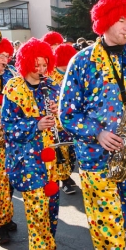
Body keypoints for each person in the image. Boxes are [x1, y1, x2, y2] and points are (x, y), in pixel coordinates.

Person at [59, 0, 126, 250]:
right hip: (94, 157)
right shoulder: (82, 61)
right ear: (106, 21)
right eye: (122, 20)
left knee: (124, 218)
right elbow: (66, 113)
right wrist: (96, 132)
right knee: (108, 220)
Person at [2, 38, 65, 250]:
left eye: (44, 64)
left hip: (51, 158)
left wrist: (58, 115)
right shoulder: (14, 88)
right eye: (36, 65)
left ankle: (47, 246)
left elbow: (64, 120)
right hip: (27, 160)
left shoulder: (51, 86)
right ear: (26, 63)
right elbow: (8, 127)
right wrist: (35, 125)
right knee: (37, 209)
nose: (40, 70)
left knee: (51, 207)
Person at [51, 43, 78, 194]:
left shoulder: (73, 74)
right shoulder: (51, 77)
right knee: (62, 152)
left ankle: (68, 174)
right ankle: (65, 179)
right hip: (57, 123)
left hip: (73, 121)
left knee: (72, 153)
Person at [0, 37, 17, 245]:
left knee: (9, 184)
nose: (5, 61)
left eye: (6, 56)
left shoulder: (12, 75)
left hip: (11, 141)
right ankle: (1, 224)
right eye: (1, 56)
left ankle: (6, 216)